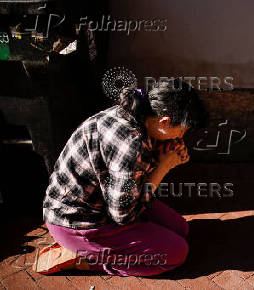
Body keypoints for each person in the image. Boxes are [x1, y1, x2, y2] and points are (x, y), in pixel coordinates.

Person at [34, 80, 209, 276]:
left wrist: (161, 150)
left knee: (181, 229)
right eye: (182, 130)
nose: (181, 137)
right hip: (78, 223)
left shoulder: (136, 112)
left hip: (104, 203)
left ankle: (101, 250)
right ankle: (87, 259)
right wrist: (164, 166)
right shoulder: (130, 146)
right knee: (176, 253)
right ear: (164, 122)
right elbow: (124, 216)